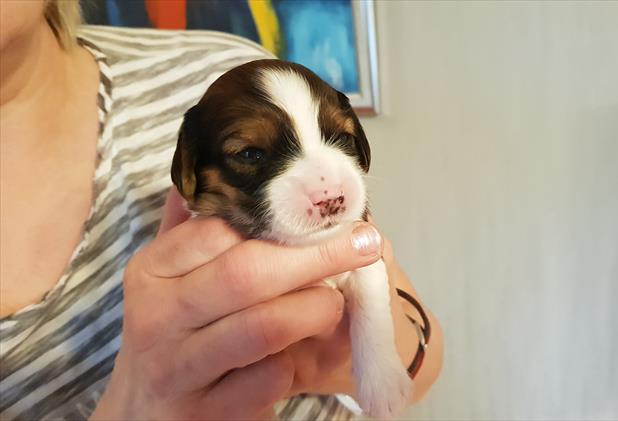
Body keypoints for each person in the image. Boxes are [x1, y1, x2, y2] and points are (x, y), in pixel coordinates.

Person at [0, 1, 443, 420]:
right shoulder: (208, 133)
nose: (327, 185)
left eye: (341, 139)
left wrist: (372, 353)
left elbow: (420, 361)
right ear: (189, 172)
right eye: (251, 154)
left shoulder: (226, 62)